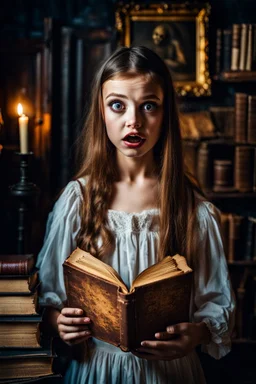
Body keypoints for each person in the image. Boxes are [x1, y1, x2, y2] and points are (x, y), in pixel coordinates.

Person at [36, 46, 235, 384]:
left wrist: (197, 335)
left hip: (172, 374)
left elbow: (217, 306)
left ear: (165, 113)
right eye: (118, 105)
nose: (134, 121)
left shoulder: (194, 210)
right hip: (96, 370)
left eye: (148, 106)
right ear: (101, 111)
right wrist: (59, 322)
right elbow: (46, 296)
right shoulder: (77, 201)